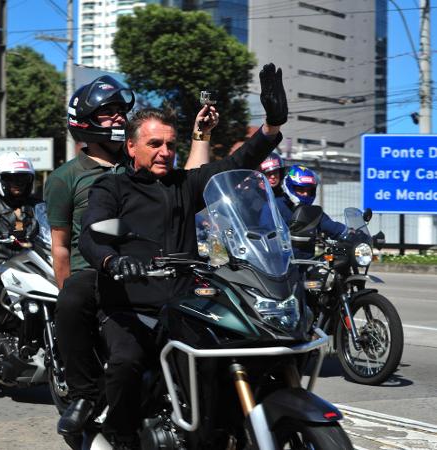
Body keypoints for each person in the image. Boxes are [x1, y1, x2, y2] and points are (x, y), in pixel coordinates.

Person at [78, 62, 287, 448]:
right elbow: (91, 236)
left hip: (184, 305)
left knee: (232, 352)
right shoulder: (111, 187)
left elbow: (234, 165)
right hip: (129, 307)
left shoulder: (183, 184)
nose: (165, 152)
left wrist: (271, 128)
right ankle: (121, 436)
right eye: (155, 144)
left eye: (171, 145)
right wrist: (113, 261)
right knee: (126, 363)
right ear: (131, 146)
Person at [44, 75, 219, 438]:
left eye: (121, 113)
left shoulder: (138, 167)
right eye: (107, 114)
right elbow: (61, 245)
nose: (117, 119)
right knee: (74, 296)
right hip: (94, 269)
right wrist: (70, 286)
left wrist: (201, 134)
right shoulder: (67, 177)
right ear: (86, 121)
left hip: (149, 269)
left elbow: (189, 182)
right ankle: (83, 396)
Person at [0, 152, 39, 340]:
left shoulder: (38, 205)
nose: (17, 183)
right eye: (11, 178)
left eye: (23, 178)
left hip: (32, 267)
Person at [270, 164, 347, 259]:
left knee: (334, 263)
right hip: (281, 266)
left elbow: (332, 227)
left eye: (309, 190)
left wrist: (353, 234)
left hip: (308, 264)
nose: (305, 194)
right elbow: (264, 233)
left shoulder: (311, 212)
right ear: (290, 187)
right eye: (301, 190)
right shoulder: (274, 207)